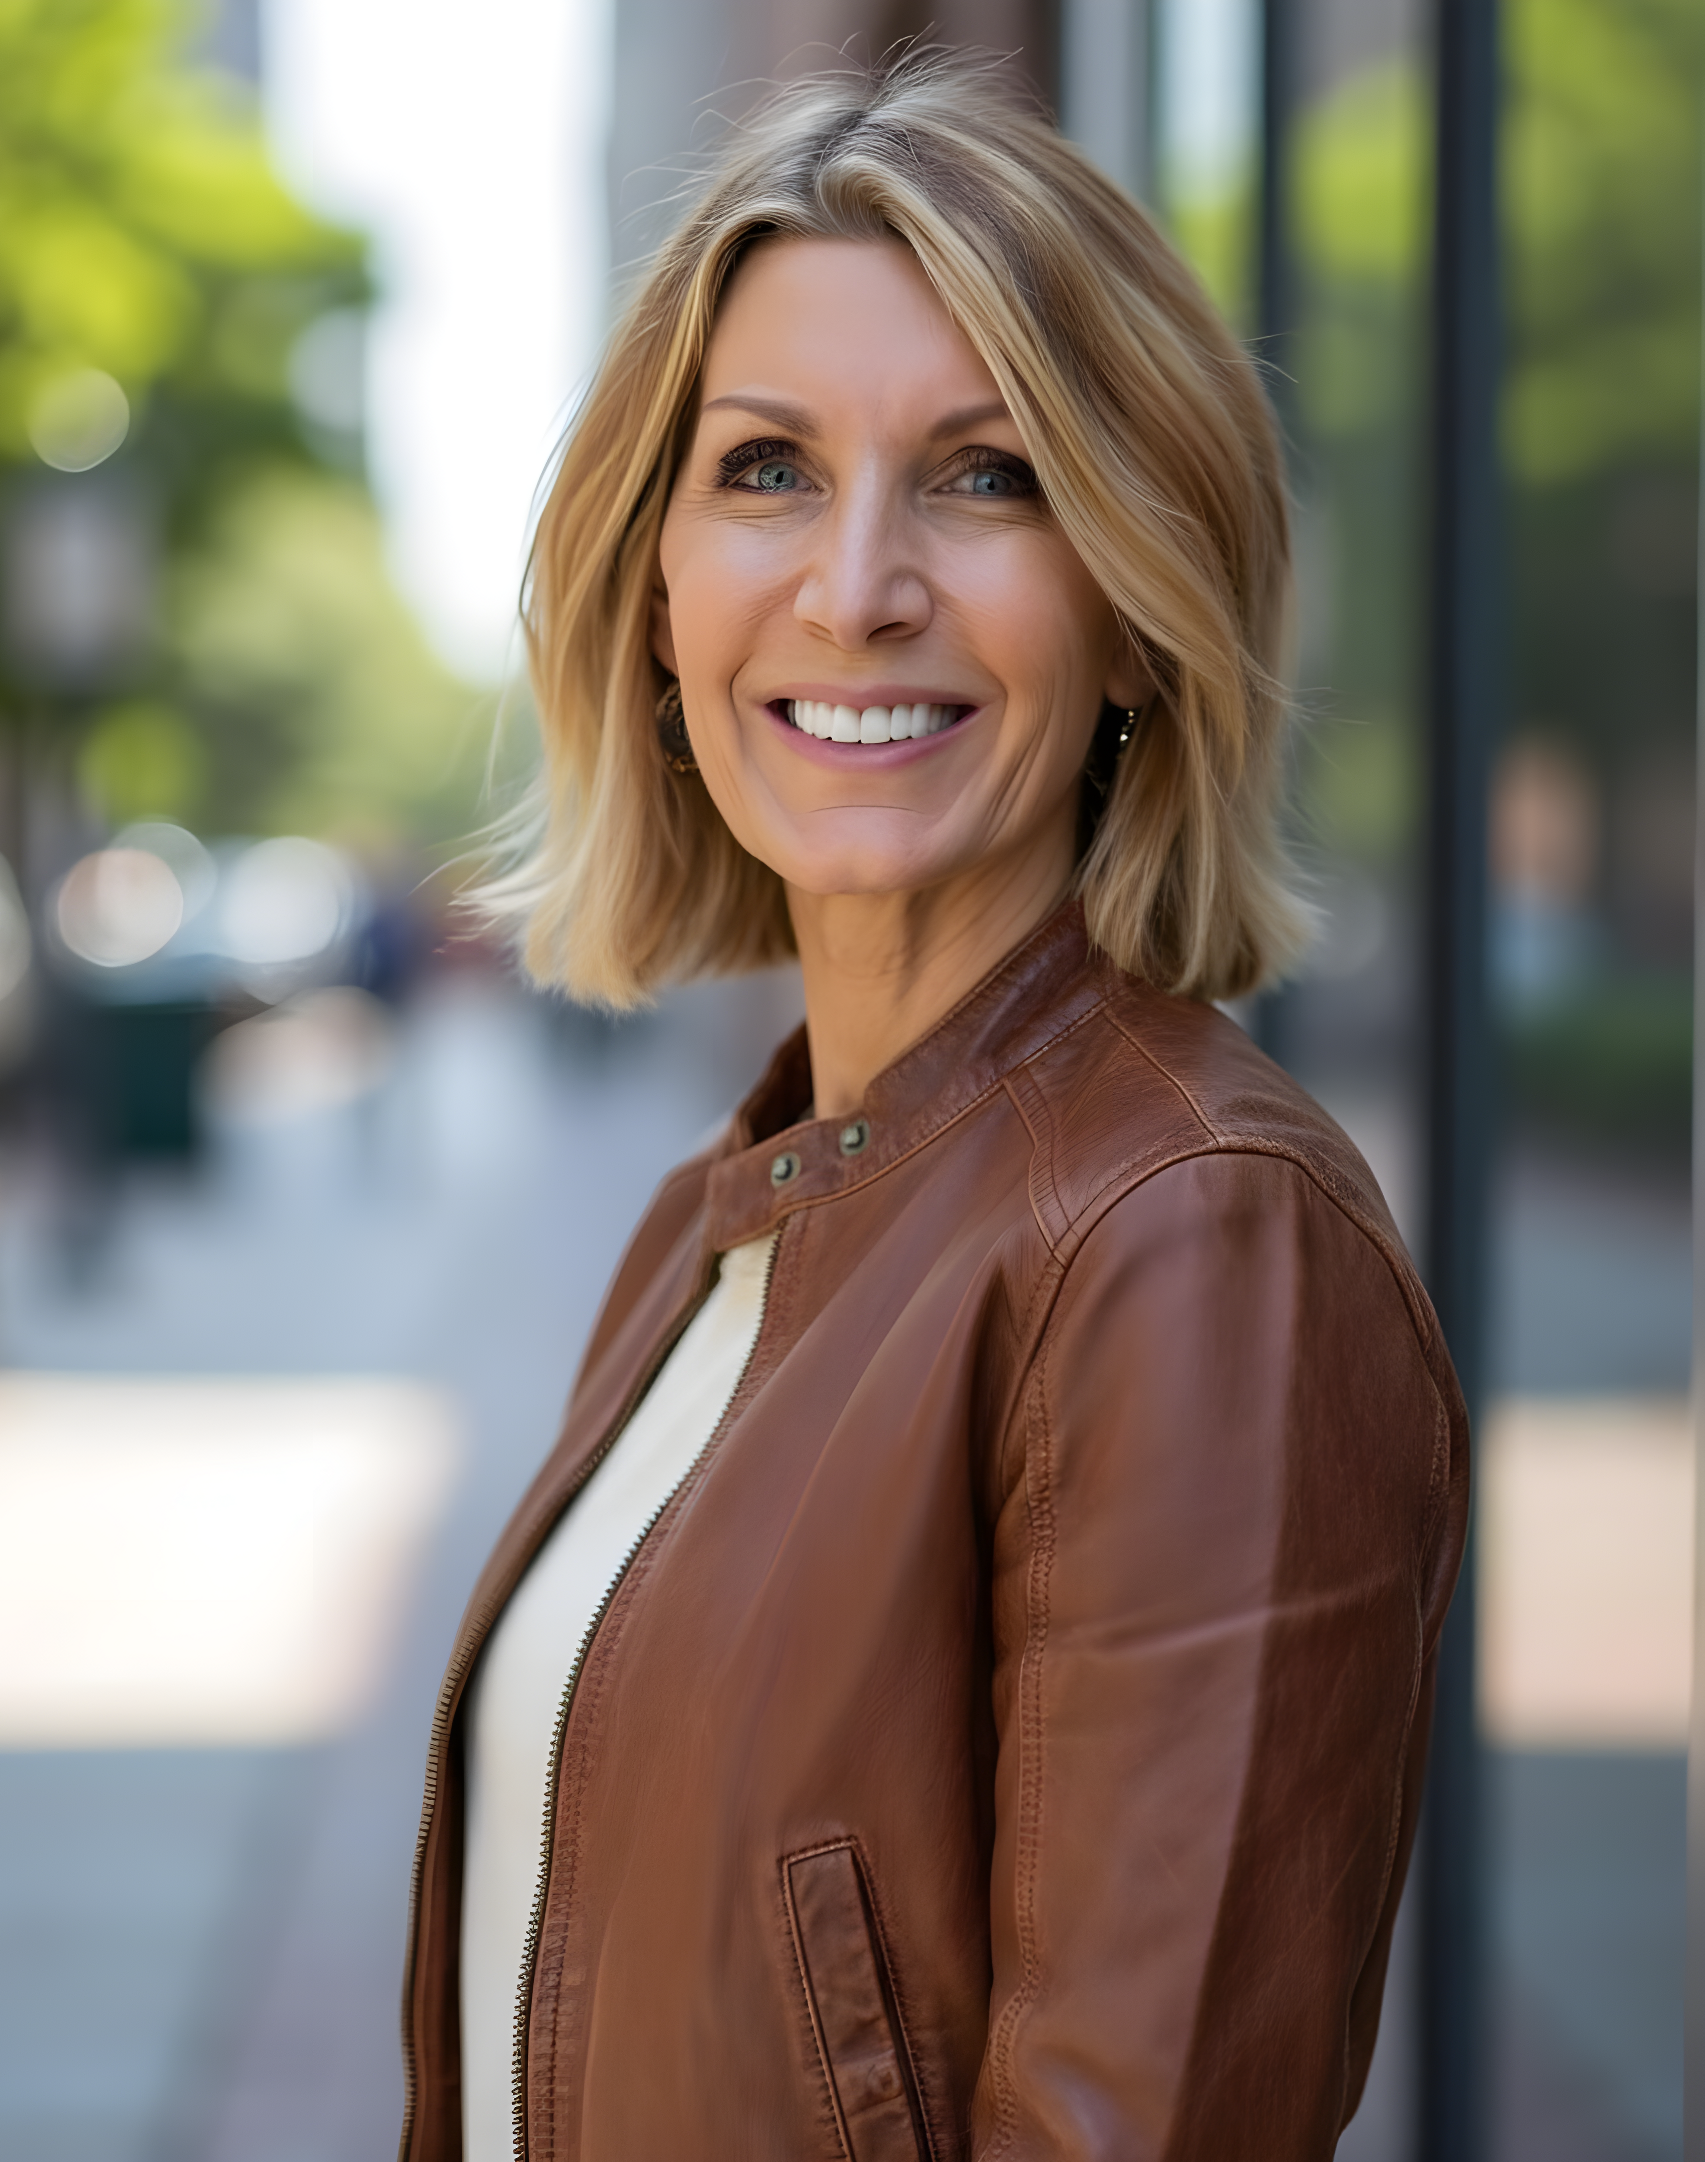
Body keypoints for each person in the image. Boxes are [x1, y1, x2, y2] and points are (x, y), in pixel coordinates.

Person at [399, 53, 1468, 2162]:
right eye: (766, 471)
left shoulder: (1191, 1234)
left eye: (983, 479)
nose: (856, 582)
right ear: (655, 590)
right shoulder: (728, 1219)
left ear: (1138, 612)